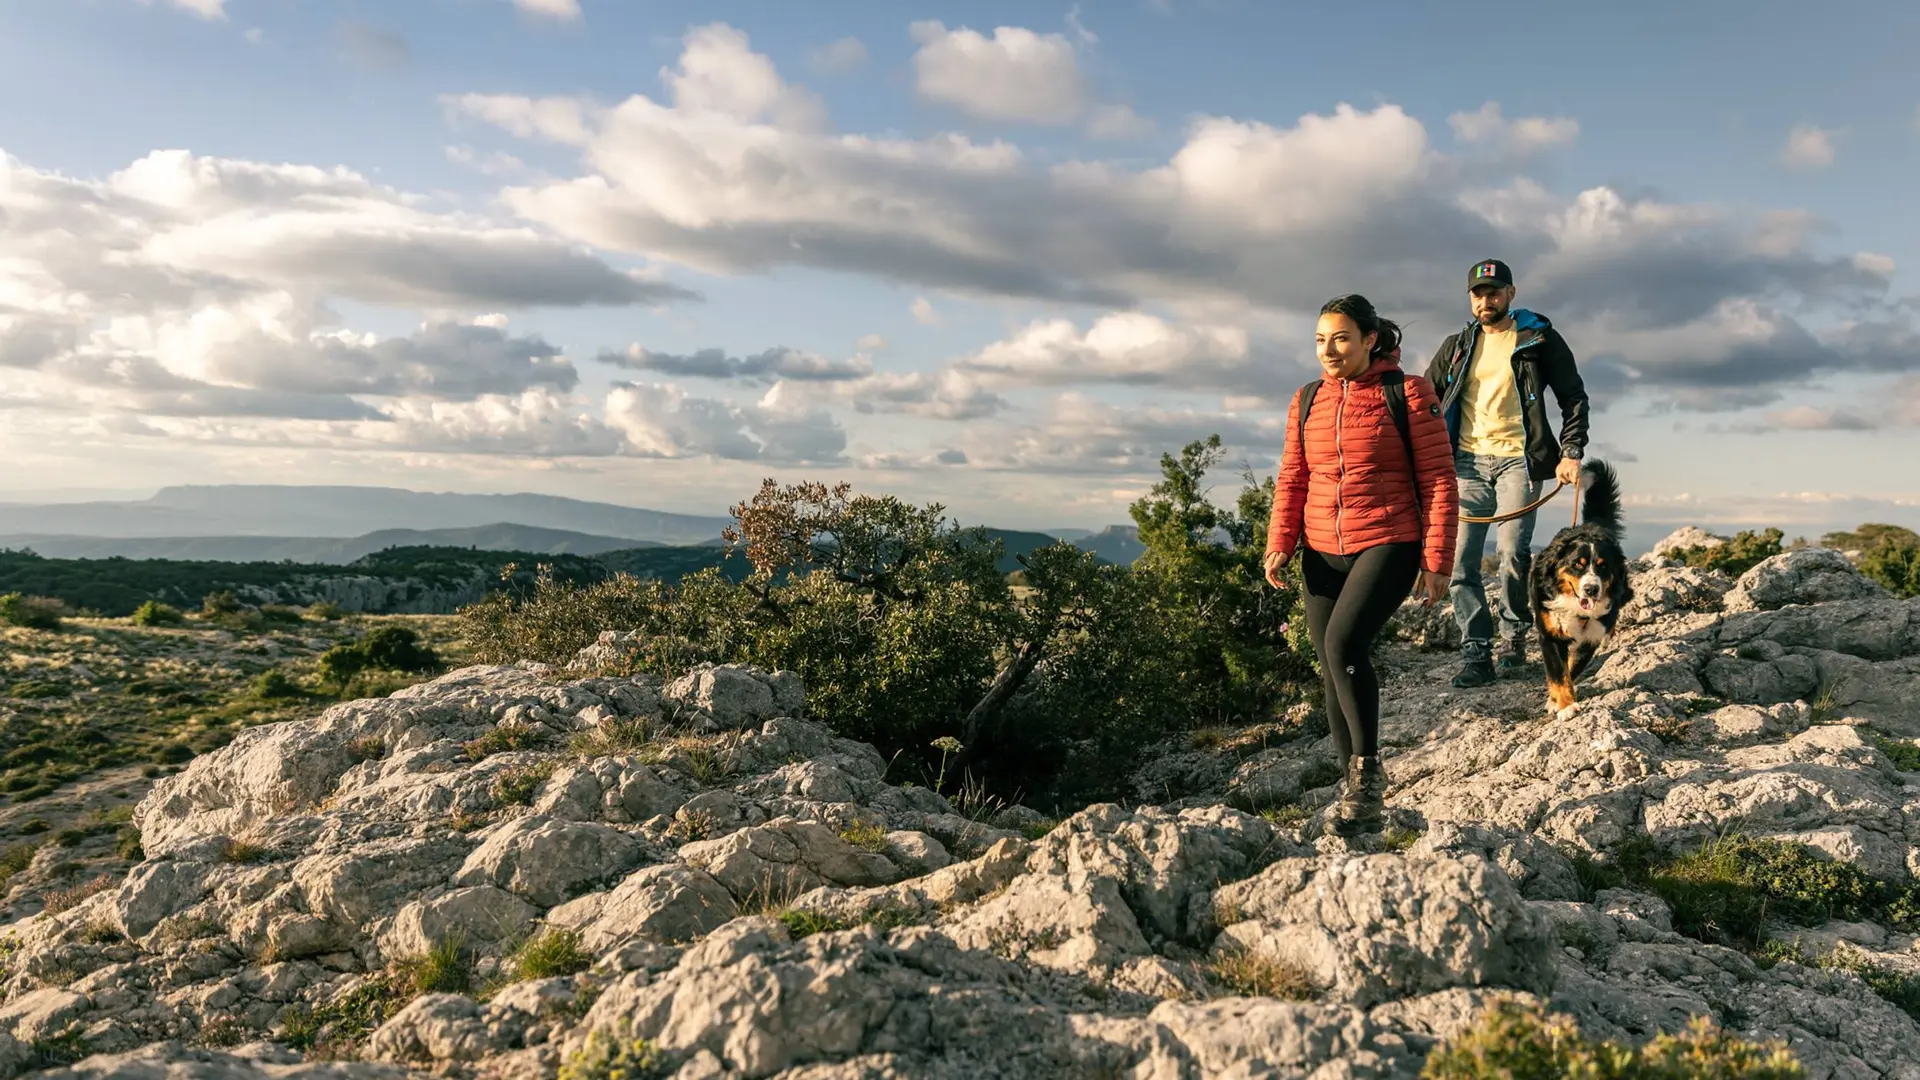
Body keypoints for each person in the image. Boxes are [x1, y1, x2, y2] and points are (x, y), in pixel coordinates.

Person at [1264, 294, 1459, 837]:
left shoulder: (1409, 392)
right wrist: (1280, 539)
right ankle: (1352, 786)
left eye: (1341, 338)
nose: (1329, 350)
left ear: (1371, 339)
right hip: (1322, 546)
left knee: (1343, 646)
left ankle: (1369, 777)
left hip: (1389, 540)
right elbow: (1293, 475)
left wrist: (1436, 559)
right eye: (1321, 340)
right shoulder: (1307, 400)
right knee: (1330, 666)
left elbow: (1440, 480)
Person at [1424, 259, 1590, 689]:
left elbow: (1573, 396)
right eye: (1478, 294)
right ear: (1470, 299)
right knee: (1460, 559)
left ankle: (1512, 639)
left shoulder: (1538, 338)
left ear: (1511, 294)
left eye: (1494, 292)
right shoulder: (1457, 346)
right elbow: (1425, 402)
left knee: (1513, 552)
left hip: (1520, 458)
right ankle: (1476, 651)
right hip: (1466, 462)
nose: (1486, 300)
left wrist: (1570, 451)